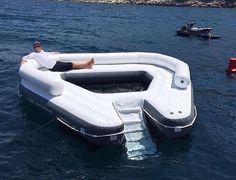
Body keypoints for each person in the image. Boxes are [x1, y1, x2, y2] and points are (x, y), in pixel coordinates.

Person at [21, 41, 95, 72]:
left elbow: (47, 53)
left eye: (39, 46)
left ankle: (87, 66)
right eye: (36, 46)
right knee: (72, 64)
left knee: (71, 65)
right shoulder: (33, 54)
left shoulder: (42, 51)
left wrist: (54, 52)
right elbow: (24, 58)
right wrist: (23, 63)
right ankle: (87, 63)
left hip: (56, 63)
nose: (38, 47)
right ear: (34, 48)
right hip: (53, 67)